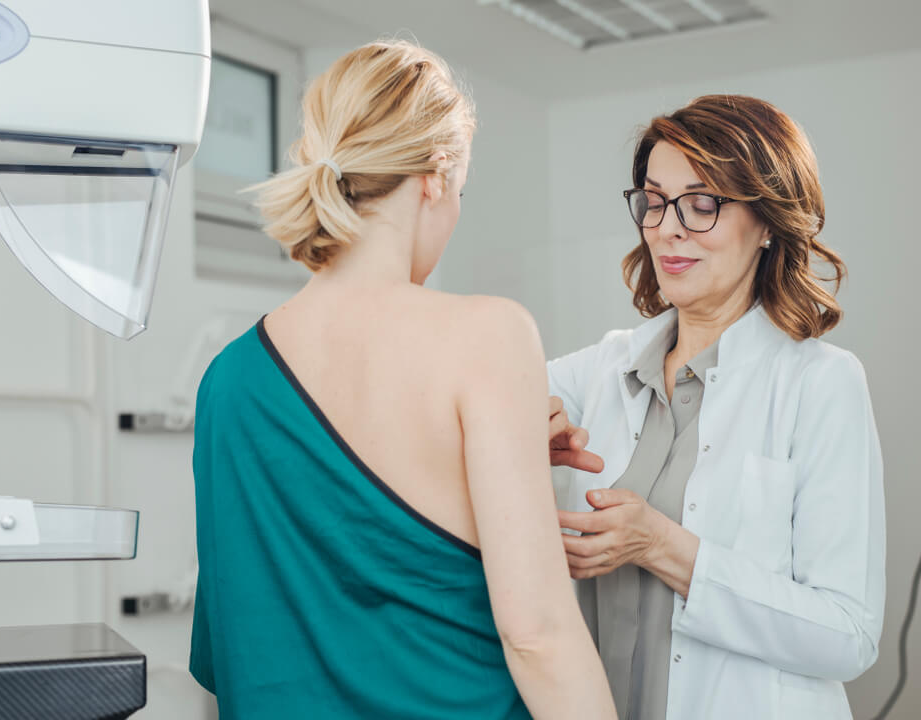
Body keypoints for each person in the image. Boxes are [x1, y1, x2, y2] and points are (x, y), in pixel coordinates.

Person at [188, 40, 616, 720]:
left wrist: (490, 463)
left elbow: (231, 652)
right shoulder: (488, 335)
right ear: (436, 177)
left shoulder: (226, 381)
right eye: (462, 191)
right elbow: (538, 638)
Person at [546, 95, 885, 720]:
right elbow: (460, 399)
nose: (667, 227)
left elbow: (848, 633)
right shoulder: (601, 368)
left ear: (766, 223)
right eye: (653, 201)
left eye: (703, 204)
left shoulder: (820, 383)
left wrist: (663, 547)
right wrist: (513, 430)